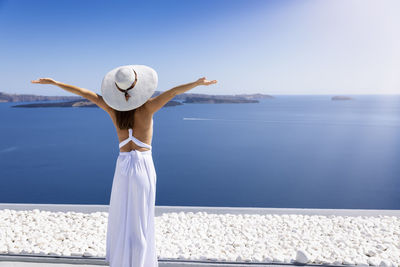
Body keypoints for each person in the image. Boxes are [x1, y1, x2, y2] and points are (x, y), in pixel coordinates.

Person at [31, 64, 217, 267]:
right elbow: (174, 91)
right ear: (139, 87)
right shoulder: (148, 107)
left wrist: (56, 83)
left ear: (117, 90)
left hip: (123, 167)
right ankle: (140, 262)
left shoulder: (112, 109)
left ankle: (121, 260)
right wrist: (197, 83)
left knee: (122, 215)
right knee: (141, 218)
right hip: (143, 165)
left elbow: (85, 94)